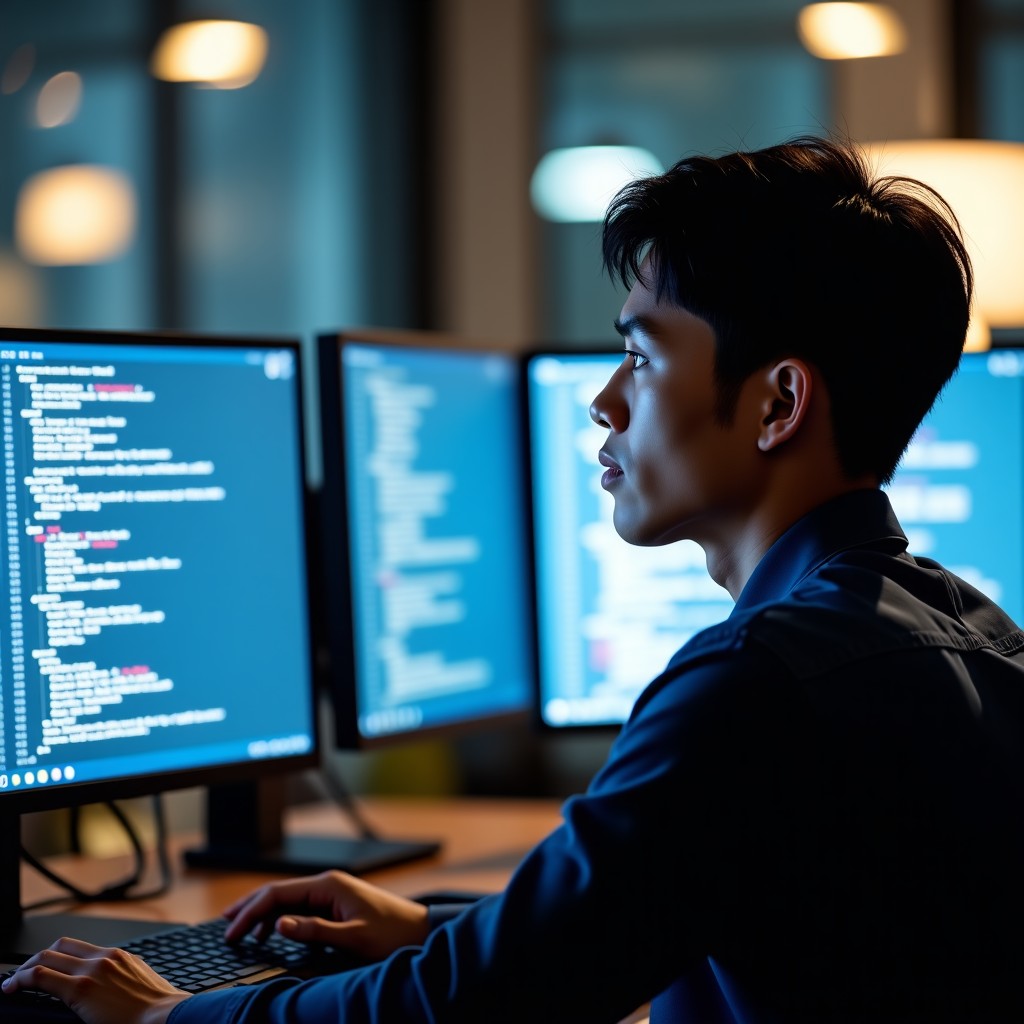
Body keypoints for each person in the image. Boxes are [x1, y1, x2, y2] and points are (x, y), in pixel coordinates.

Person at [5, 133, 1024, 1023]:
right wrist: (440, 926)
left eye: (642, 356)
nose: (603, 401)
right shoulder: (967, 624)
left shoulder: (754, 683)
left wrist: (175, 1017)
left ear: (777, 402)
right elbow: (660, 908)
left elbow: (472, 1006)